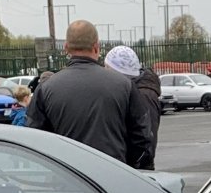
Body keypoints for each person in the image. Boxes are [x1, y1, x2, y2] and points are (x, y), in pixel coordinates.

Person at [26, 20, 153, 169]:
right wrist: (127, 166)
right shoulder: (125, 85)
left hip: (68, 174)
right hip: (113, 173)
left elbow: (36, 139)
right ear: (96, 47)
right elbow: (142, 138)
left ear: (66, 47)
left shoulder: (46, 88)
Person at [105, 45, 163, 168]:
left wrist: (132, 163)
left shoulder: (143, 95)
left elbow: (146, 139)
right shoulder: (137, 90)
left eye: (107, 67)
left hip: (136, 168)